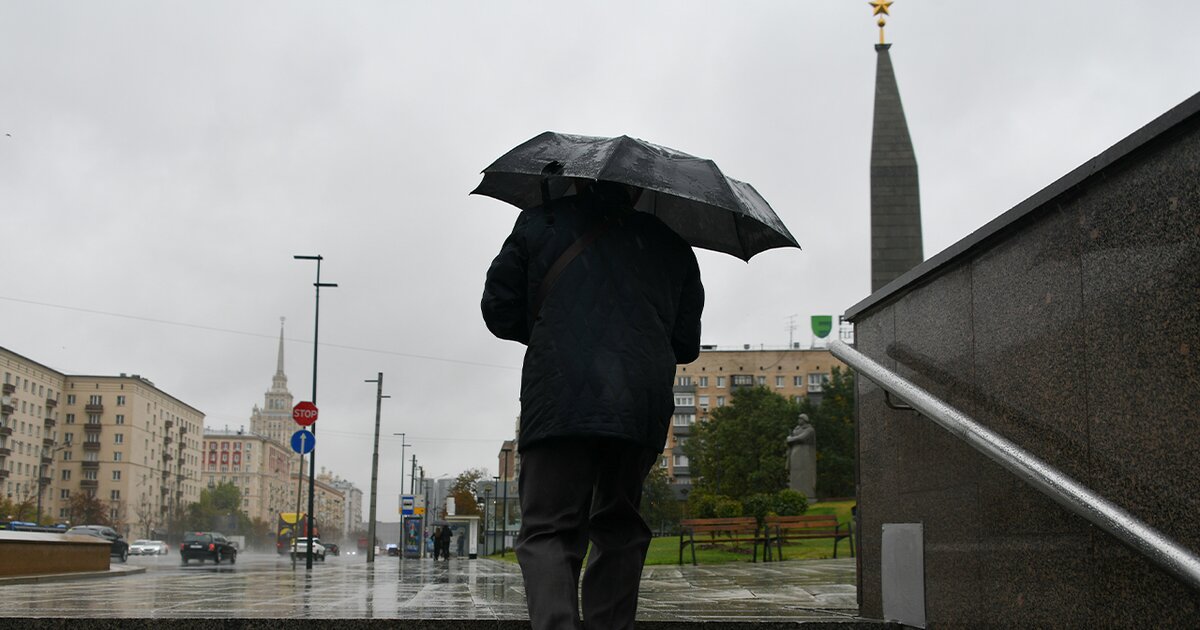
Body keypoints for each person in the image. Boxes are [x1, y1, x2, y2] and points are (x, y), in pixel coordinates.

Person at [482, 181, 704, 630]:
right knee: (620, 526)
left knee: (549, 528)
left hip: (559, 395)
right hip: (638, 402)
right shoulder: (671, 243)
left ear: (578, 181)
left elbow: (498, 310)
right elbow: (686, 342)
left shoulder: (540, 222)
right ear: (638, 193)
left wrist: (553, 326)